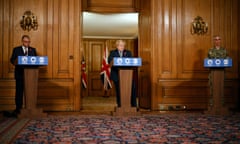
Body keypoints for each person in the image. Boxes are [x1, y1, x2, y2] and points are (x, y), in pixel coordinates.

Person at [10, 35, 37, 116]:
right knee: (19, 92)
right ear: (22, 41)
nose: (27, 43)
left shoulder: (33, 50)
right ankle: (18, 108)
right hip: (19, 74)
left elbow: (36, 60)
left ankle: (30, 108)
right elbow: (12, 60)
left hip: (30, 76)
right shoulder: (16, 49)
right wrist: (16, 61)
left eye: (28, 42)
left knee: (30, 91)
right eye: (26, 42)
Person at [108, 40, 136, 107]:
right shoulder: (112, 52)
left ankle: (133, 105)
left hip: (127, 76)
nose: (122, 47)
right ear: (117, 46)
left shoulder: (128, 52)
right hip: (116, 75)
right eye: (121, 45)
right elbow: (110, 61)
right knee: (119, 91)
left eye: (123, 45)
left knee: (132, 89)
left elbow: (131, 62)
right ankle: (120, 105)